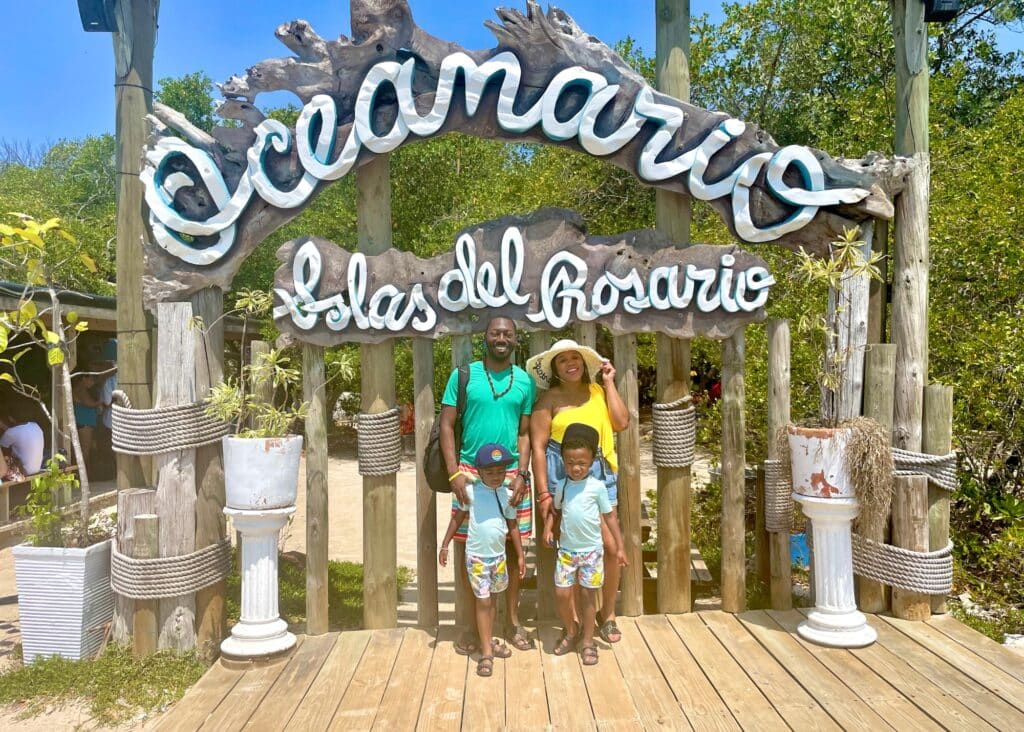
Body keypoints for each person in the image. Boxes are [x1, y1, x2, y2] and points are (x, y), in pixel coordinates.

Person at [439, 315, 535, 655]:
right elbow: (447, 426)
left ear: (515, 340)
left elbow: (524, 434)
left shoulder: (524, 381)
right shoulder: (463, 376)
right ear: (485, 337)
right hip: (470, 473)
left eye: (508, 333)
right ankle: (469, 626)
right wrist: (454, 474)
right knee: (470, 551)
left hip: (511, 476)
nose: (501, 338)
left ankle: (511, 621)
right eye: (495, 332)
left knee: (512, 548)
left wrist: (523, 474)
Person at [527, 338, 629, 643]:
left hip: (600, 474)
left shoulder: (597, 391)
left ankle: (606, 614)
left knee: (610, 549)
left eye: (575, 357)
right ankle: (572, 625)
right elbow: (538, 448)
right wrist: (544, 493)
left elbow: (621, 423)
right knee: (571, 553)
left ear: (584, 363)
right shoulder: (548, 401)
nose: (571, 363)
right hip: (565, 479)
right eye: (562, 360)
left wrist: (609, 382)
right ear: (554, 368)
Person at [439, 443, 526, 677]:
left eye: (500, 472)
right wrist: (445, 544)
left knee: (493, 600)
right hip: (477, 558)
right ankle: (486, 651)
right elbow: (458, 519)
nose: (496, 477)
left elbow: (513, 526)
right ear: (479, 471)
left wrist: (519, 555)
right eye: (490, 472)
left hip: (498, 558)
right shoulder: (471, 493)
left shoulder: (507, 495)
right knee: (483, 602)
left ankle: (488, 639)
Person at [543, 423, 626, 665]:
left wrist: (619, 547)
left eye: (581, 463)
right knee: (561, 592)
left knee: (590, 597)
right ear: (563, 461)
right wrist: (548, 529)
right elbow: (555, 511)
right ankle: (572, 629)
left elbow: (610, 517)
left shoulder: (597, 487)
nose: (575, 468)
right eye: (570, 463)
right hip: (566, 552)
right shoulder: (562, 485)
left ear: (591, 461)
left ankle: (587, 641)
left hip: (591, 553)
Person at [72, 370, 102, 468]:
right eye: (92, 380)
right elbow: (89, 403)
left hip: (84, 422)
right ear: (84, 378)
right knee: (84, 450)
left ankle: (83, 473)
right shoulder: (81, 389)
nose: (93, 383)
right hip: (84, 423)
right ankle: (80, 474)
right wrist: (103, 402)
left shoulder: (82, 389)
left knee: (84, 450)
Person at [0, 411, 44, 476]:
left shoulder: (10, 432)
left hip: (22, 471)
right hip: (37, 469)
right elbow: (18, 433)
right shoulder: (36, 425)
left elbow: (2, 451)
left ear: (10, 418)